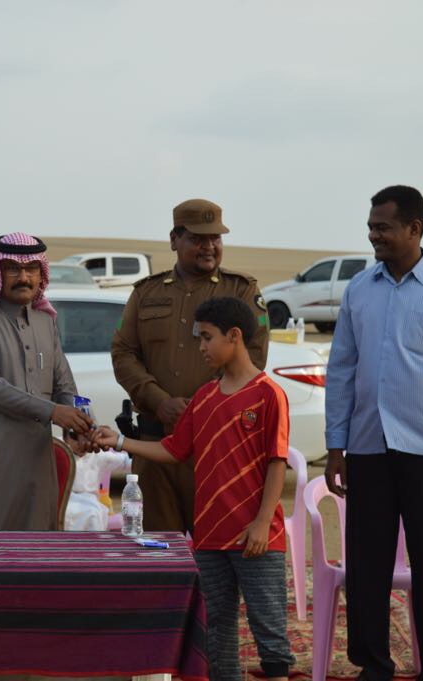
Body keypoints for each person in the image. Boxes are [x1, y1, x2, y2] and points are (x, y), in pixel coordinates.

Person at [97, 297, 294, 681]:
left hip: (256, 537)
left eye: (206, 337)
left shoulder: (268, 394)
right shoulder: (204, 398)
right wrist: (118, 441)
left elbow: (277, 462)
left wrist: (261, 523)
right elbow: (174, 449)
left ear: (234, 336)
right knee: (217, 630)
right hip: (209, 537)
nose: (201, 347)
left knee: (269, 631)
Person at [324, 186, 423, 681]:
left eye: (383, 227)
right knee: (367, 565)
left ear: (414, 229)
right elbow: (341, 369)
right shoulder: (358, 290)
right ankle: (374, 666)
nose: (374, 235)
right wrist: (335, 446)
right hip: (367, 447)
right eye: (371, 227)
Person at [111, 198, 269, 533]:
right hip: (155, 444)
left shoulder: (241, 290)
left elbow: (252, 356)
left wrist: (203, 407)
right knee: (157, 548)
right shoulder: (146, 292)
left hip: (215, 448)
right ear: (174, 239)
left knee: (216, 548)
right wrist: (159, 401)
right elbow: (123, 353)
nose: (209, 247)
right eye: (198, 239)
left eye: (215, 238)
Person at [0, 233, 94, 531]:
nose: (23, 277)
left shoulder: (45, 321)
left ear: (41, 274)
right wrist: (53, 412)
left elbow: (64, 384)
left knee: (33, 543)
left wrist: (81, 424)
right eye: (13, 268)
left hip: (36, 459)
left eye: (31, 269)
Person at [63, 448, 130, 531]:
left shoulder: (99, 455)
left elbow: (126, 462)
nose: (82, 442)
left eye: (87, 440)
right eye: (76, 440)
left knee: (94, 514)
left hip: (91, 505)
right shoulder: (59, 451)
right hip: (64, 501)